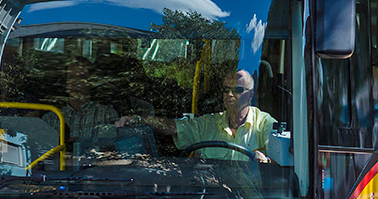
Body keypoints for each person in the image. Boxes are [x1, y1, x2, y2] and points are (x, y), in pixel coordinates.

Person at [116, 69, 274, 161]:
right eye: (226, 90)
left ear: (251, 95)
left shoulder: (265, 125)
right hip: (210, 198)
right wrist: (140, 119)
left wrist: (266, 161)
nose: (229, 95)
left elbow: (280, 164)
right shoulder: (208, 124)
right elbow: (173, 127)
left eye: (237, 90)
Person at [60, 57, 117, 154]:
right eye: (71, 77)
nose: (76, 83)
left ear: (91, 82)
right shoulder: (51, 118)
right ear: (66, 83)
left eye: (81, 78)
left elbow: (114, 152)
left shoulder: (107, 115)